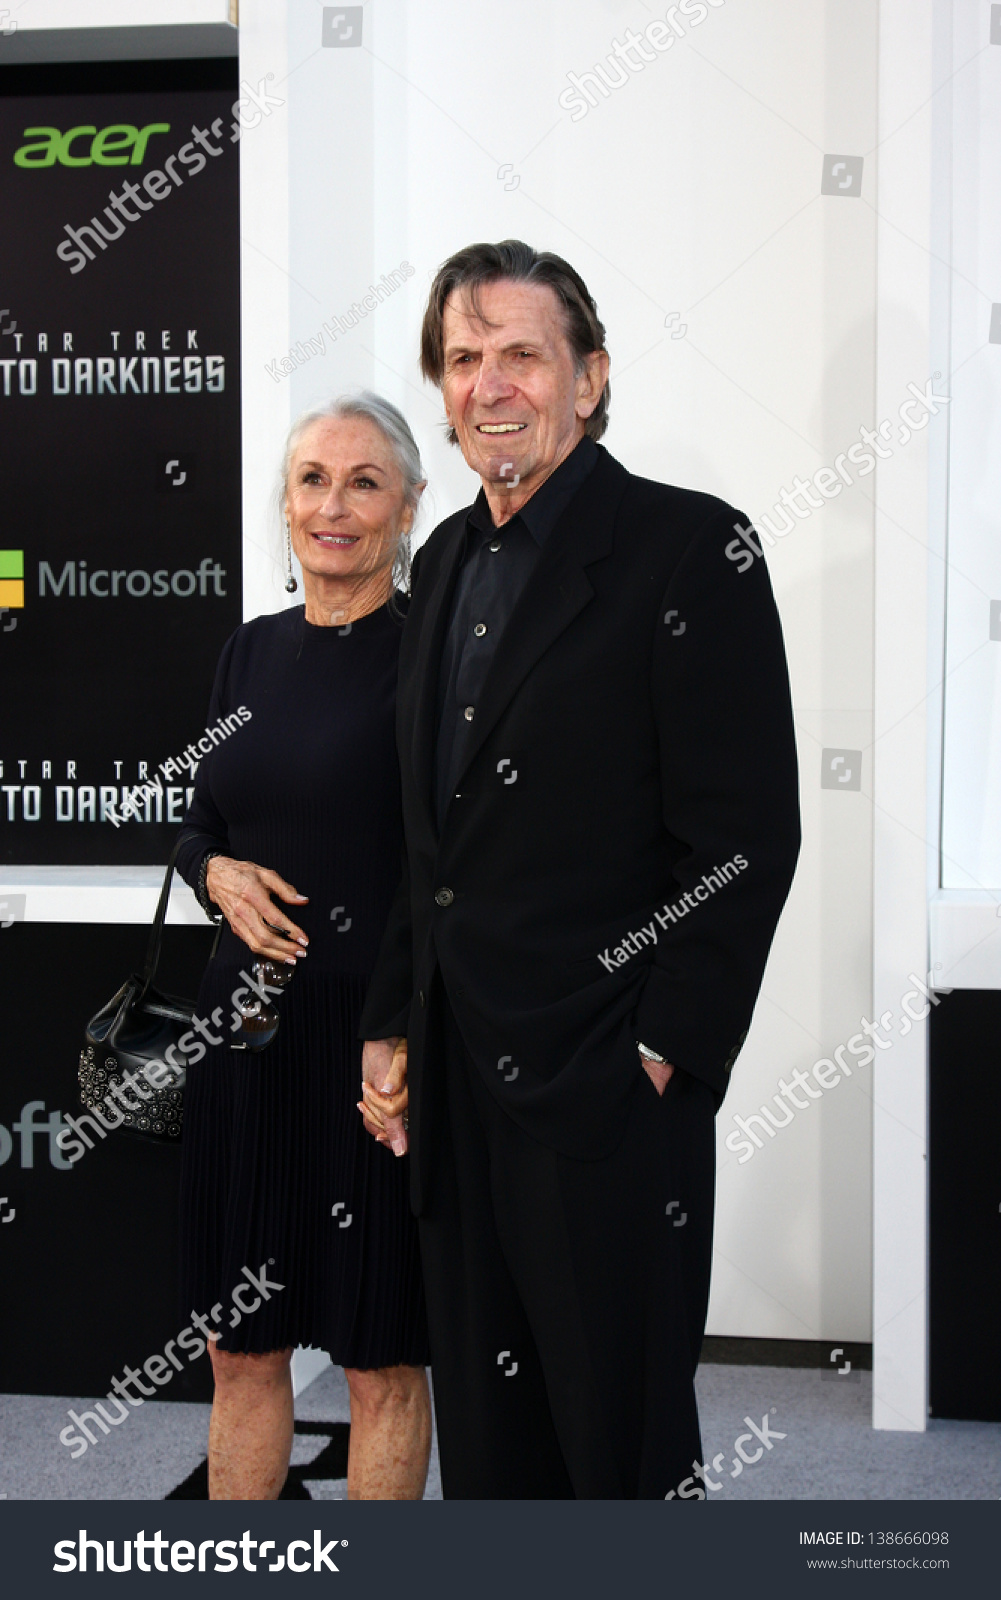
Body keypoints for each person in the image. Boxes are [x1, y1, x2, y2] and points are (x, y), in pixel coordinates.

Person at [358, 241, 801, 1499]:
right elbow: (424, 835)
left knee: (619, 1442)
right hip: (453, 1086)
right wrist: (391, 1018)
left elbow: (745, 832)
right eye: (461, 359)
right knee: (492, 1452)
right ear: (441, 396)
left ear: (588, 378)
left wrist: (665, 1048)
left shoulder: (685, 548)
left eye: (519, 355)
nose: (488, 384)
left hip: (606, 1089)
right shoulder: (439, 562)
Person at [175, 391, 431, 1500]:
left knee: (380, 1357)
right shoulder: (248, 654)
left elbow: (458, 870)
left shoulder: (436, 664)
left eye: (365, 481)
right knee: (243, 1348)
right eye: (313, 481)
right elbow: (201, 822)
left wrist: (408, 1029)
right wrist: (212, 872)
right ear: (282, 505)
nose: (335, 504)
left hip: (377, 1049)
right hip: (242, 1042)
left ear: (410, 508)